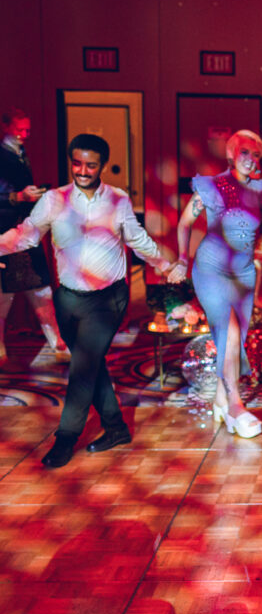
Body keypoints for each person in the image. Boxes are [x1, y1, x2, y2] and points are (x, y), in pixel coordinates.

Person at [0, 134, 182, 467]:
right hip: (68, 301)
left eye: (91, 164)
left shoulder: (118, 199)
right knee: (92, 365)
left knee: (82, 368)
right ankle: (116, 427)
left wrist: (163, 264)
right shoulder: (54, 200)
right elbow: (26, 233)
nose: (83, 170)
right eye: (77, 163)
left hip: (108, 300)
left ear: (102, 166)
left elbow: (136, 238)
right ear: (71, 162)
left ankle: (65, 437)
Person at [173, 130, 262, 438]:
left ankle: (221, 401)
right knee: (231, 334)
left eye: (256, 154)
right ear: (231, 154)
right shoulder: (212, 186)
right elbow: (184, 222)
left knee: (233, 340)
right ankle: (235, 406)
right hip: (210, 270)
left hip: (244, 275)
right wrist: (182, 258)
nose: (251, 159)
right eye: (245, 152)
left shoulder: (261, 191)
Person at [0, 108, 67, 364]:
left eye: (27, 130)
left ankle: (57, 343)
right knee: (5, 294)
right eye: (20, 129)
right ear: (6, 126)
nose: (24, 134)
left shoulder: (20, 153)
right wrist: (18, 197)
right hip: (6, 233)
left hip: (25, 231)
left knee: (40, 288)